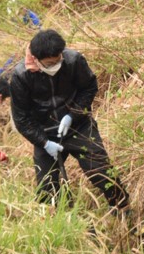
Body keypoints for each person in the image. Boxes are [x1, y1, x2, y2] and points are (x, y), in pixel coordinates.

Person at [9, 29, 129, 210]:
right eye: (50, 64)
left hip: (78, 127)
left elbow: (89, 88)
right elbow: (21, 119)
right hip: (46, 134)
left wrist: (72, 115)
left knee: (102, 172)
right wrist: (43, 142)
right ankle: (57, 221)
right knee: (47, 186)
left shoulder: (73, 61)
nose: (56, 65)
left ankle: (124, 211)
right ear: (36, 59)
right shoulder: (21, 76)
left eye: (58, 60)